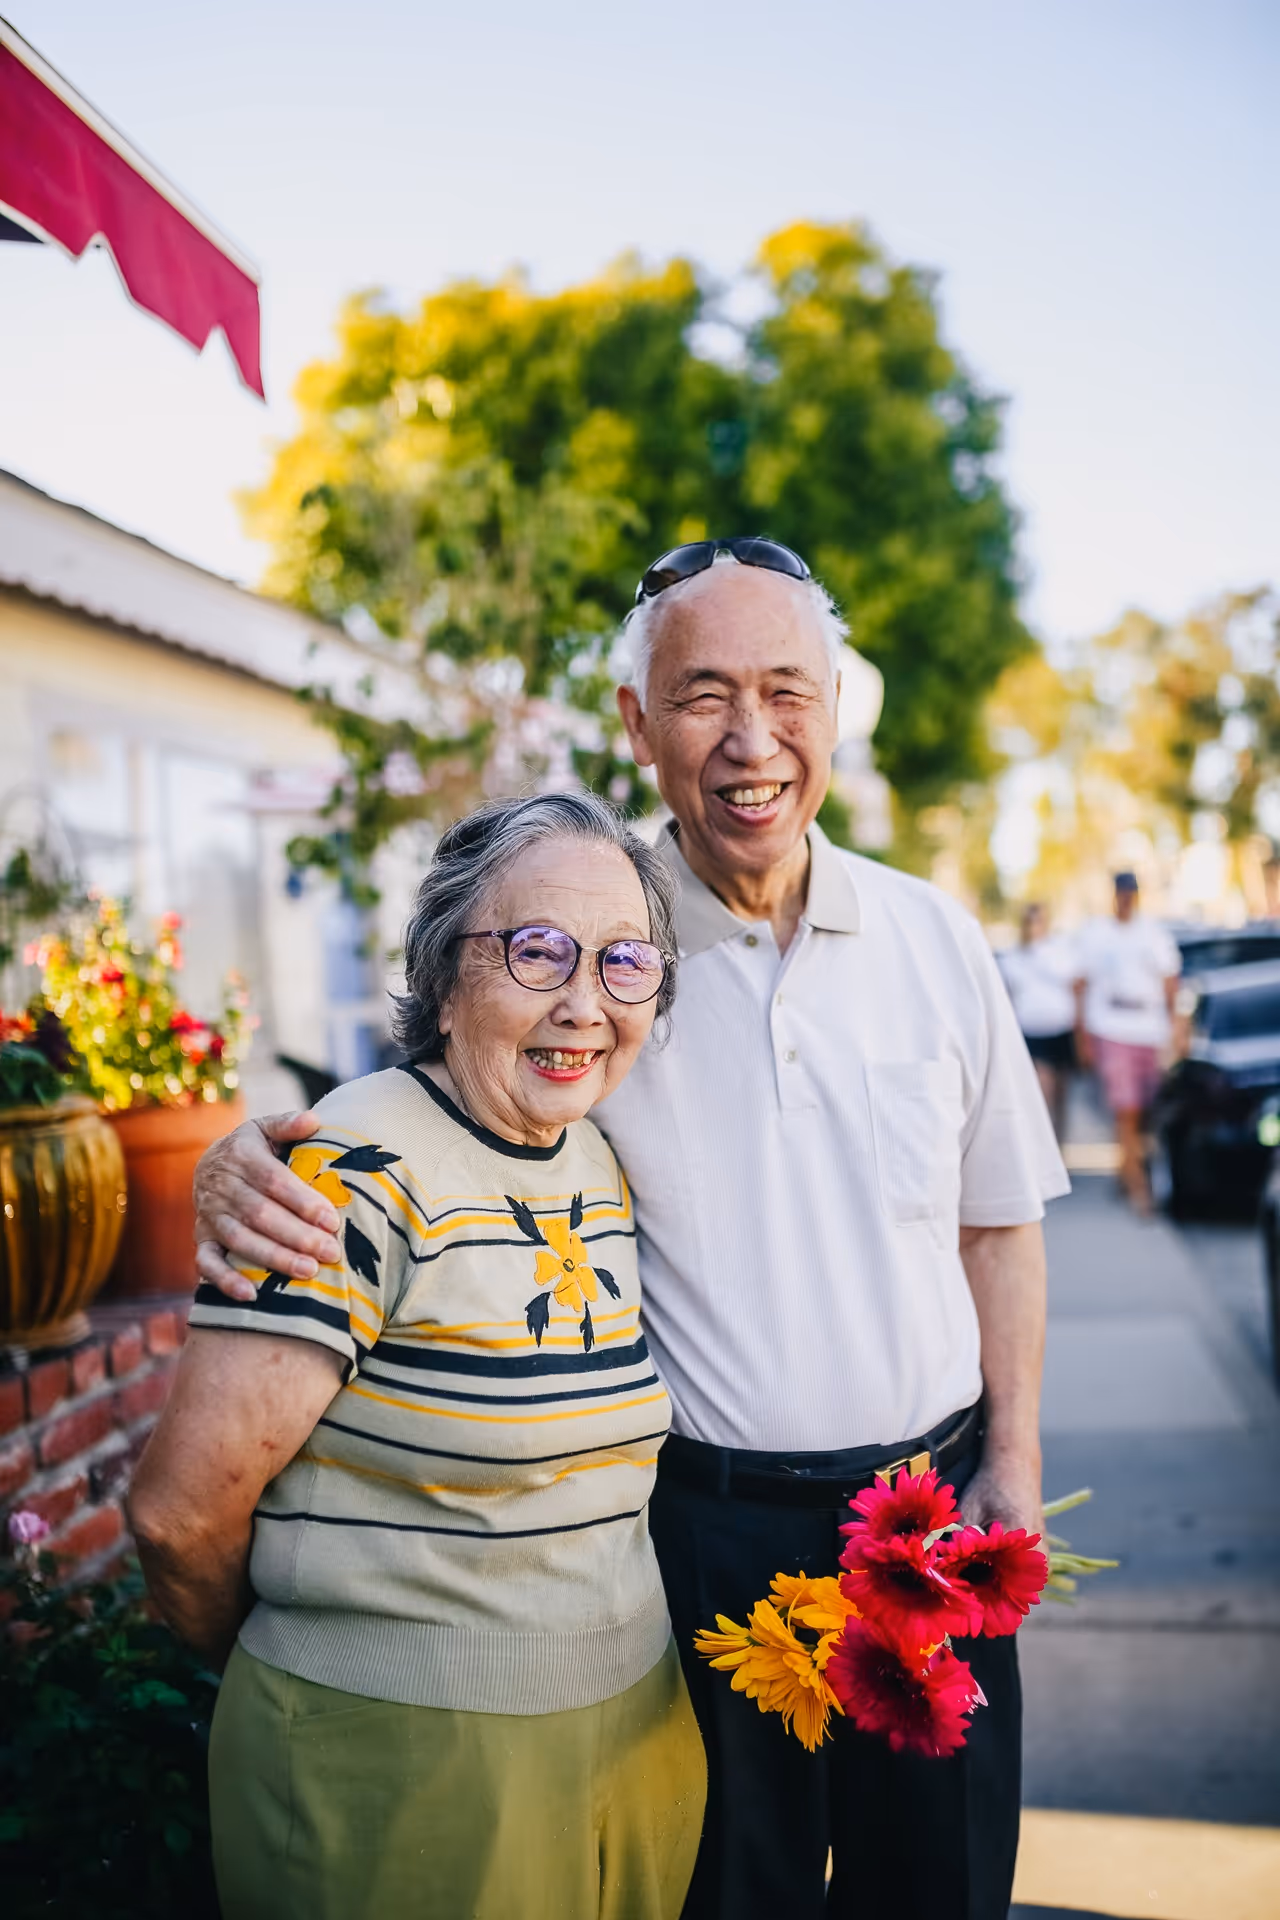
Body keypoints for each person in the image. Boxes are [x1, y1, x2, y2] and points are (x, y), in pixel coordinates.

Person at [193, 537, 1068, 1920]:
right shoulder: (605, 953)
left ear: (836, 707)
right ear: (636, 724)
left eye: (789, 691)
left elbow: (1000, 1220)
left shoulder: (936, 938)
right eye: (702, 693)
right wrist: (241, 1152)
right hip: (703, 1542)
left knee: (944, 1890)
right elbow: (438, 1084)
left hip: (931, 1519)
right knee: (730, 1899)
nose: (750, 739)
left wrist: (1012, 1461)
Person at [127, 792, 706, 1920]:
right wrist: (326, 1667)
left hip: (631, 1743)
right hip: (395, 1771)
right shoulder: (351, 1167)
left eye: (623, 961)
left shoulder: (594, 1156)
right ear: (444, 977)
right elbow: (176, 1515)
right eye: (536, 952)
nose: (584, 1002)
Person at [1073, 870, 1180, 1213]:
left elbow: (1170, 983)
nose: (1125, 898)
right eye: (1121, 892)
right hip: (1112, 1027)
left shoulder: (1152, 933)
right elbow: (1080, 984)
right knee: (1126, 1110)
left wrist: (1175, 1031)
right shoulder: (1097, 934)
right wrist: (1083, 1038)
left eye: (1130, 892)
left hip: (1148, 1029)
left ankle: (1127, 1171)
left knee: (1145, 1111)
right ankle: (1138, 1189)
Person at [998, 902, 1078, 1140]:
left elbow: (1075, 986)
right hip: (1033, 1032)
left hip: (1061, 1031)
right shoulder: (1012, 958)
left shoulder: (1061, 951)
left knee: (1061, 1096)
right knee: (1044, 1095)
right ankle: (1046, 1146)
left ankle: (1059, 1148)